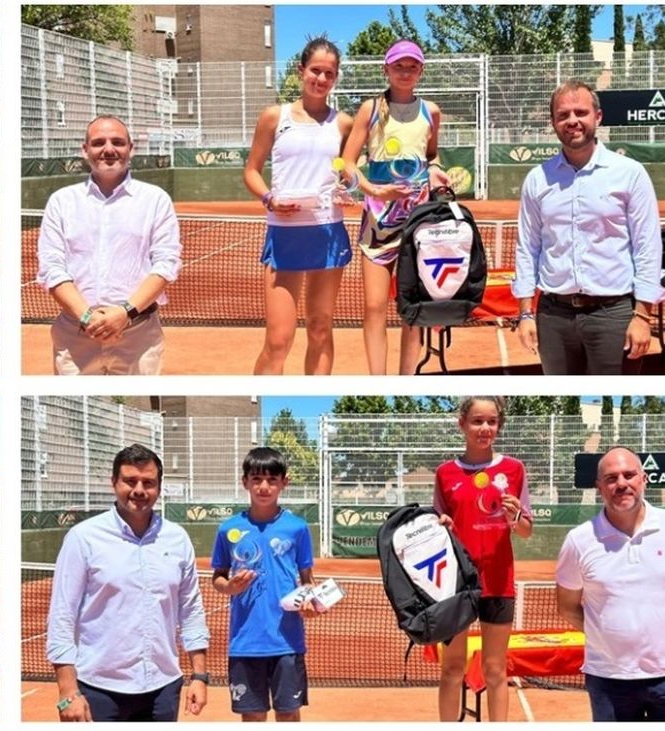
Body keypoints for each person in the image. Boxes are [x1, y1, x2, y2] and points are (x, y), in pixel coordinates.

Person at [46, 444, 209, 721]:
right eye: (130, 481)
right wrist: (67, 691)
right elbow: (62, 616)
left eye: (148, 482)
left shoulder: (177, 539)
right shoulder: (83, 537)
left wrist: (200, 676)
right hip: (99, 689)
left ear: (159, 487)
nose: (139, 490)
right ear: (114, 483)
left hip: (164, 687)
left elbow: (191, 609)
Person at [514, 80, 663, 375]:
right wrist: (525, 314)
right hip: (553, 316)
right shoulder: (537, 179)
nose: (572, 121)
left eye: (580, 112)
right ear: (553, 123)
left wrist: (642, 317)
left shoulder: (630, 174)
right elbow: (527, 247)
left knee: (610, 403)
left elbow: (648, 247)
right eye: (563, 115)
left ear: (598, 117)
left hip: (614, 315)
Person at [36, 116, 182, 375]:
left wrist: (125, 314)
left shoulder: (156, 200)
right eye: (98, 142)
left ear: (131, 148)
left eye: (117, 142)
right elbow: (52, 268)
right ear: (85, 150)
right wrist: (87, 318)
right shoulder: (61, 202)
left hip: (139, 337)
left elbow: (165, 265)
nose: (108, 149)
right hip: (75, 335)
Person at [340, 39, 452, 375]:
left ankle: (407, 380)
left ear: (421, 70)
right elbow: (345, 162)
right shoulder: (370, 109)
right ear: (385, 69)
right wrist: (374, 189)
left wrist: (434, 170)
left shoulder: (431, 112)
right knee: (374, 307)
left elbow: (431, 156)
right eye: (398, 66)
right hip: (377, 221)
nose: (405, 72)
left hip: (418, 224)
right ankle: (378, 380)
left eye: (412, 66)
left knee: (413, 309)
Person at [243, 37, 354, 375]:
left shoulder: (344, 124)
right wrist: (269, 198)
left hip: (327, 233)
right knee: (279, 341)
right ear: (301, 70)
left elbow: (347, 173)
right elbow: (251, 171)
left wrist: (346, 188)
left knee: (320, 328)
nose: (321, 79)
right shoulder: (274, 117)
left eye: (329, 74)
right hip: (285, 236)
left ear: (335, 78)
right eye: (315, 71)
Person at [432, 396, 533, 722]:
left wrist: (516, 517)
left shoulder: (514, 469)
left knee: (494, 668)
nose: (484, 428)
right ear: (462, 424)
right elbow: (437, 527)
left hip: (498, 582)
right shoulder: (445, 473)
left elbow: (526, 531)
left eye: (491, 422)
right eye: (477, 421)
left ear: (499, 426)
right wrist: (442, 525)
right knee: (452, 667)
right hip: (456, 585)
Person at [556, 447, 665, 721]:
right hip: (608, 679)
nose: (621, 484)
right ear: (599, 487)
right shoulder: (579, 540)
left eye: (629, 475)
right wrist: (605, 637)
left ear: (644, 479)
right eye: (611, 478)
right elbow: (568, 607)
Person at [211, 447, 316, 721]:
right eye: (256, 479)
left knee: (289, 716)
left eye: (271, 480)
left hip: (287, 642)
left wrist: (309, 600)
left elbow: (307, 581)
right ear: (245, 481)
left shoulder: (298, 528)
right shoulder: (227, 529)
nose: (264, 487)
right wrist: (230, 587)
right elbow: (218, 578)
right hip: (245, 642)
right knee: (253, 717)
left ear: (284, 482)